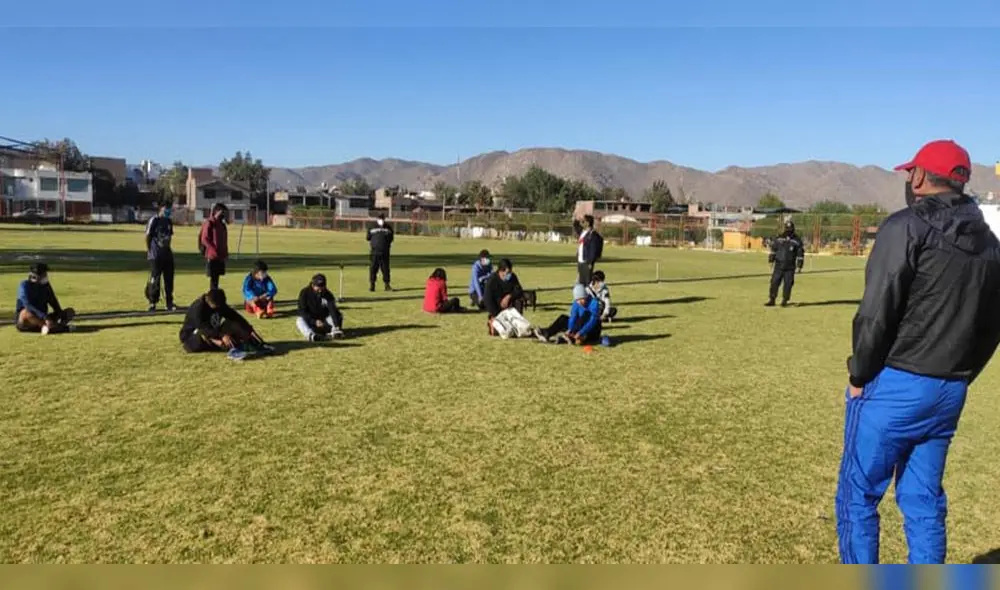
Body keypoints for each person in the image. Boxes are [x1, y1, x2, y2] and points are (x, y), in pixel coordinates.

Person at [835, 139, 1000, 564]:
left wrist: (859, 375)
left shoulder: (905, 227)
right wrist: (961, 374)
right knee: (924, 502)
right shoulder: (989, 244)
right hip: (950, 389)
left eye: (911, 173)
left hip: (896, 383)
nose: (908, 180)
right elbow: (992, 326)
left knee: (858, 496)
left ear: (922, 176)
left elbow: (876, 311)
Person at [179, 289, 272, 360]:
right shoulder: (198, 309)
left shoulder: (219, 303)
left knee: (232, 323)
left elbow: (234, 316)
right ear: (209, 302)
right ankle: (232, 350)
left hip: (213, 331)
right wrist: (222, 335)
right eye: (217, 307)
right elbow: (203, 328)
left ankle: (255, 343)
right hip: (192, 337)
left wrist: (249, 329)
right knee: (203, 333)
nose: (219, 309)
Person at [483, 258, 539, 339]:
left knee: (519, 300)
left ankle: (518, 324)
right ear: (501, 271)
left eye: (510, 272)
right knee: (505, 332)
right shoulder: (492, 281)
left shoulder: (512, 277)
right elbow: (487, 300)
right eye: (507, 272)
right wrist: (495, 314)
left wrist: (509, 296)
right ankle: (492, 322)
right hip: (497, 310)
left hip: (510, 308)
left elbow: (519, 290)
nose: (509, 274)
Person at [15, 263, 76, 334]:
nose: (46, 276)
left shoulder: (46, 285)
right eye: (44, 274)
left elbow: (53, 300)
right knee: (25, 313)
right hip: (28, 320)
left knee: (70, 312)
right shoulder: (24, 285)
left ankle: (49, 327)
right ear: (35, 276)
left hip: (44, 318)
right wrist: (45, 317)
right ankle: (58, 328)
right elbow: (28, 305)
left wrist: (60, 314)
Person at [536, 284, 603, 345]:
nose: (579, 302)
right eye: (577, 300)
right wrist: (570, 329)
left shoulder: (594, 303)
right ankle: (547, 333)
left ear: (585, 296)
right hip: (579, 326)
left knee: (585, 315)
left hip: (592, 329)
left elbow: (592, 321)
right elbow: (573, 317)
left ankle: (569, 339)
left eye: (581, 299)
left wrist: (581, 332)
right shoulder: (576, 303)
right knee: (563, 318)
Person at [145, 200, 176, 311]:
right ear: (161, 209)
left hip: (167, 254)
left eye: (169, 209)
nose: (168, 211)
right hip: (155, 255)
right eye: (166, 209)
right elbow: (148, 236)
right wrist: (150, 251)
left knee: (169, 280)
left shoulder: (168, 221)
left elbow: (169, 236)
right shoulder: (154, 220)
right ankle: (153, 303)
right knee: (155, 279)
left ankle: (169, 302)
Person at [766, 219, 805, 307]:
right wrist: (771, 260)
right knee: (774, 282)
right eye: (787, 229)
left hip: (790, 267)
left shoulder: (797, 240)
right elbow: (774, 249)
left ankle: (784, 300)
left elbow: (800, 254)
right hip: (779, 265)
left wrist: (799, 266)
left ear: (793, 229)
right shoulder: (779, 238)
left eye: (790, 229)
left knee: (788, 284)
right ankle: (772, 299)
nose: (788, 231)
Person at [296, 273, 345, 342]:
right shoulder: (304, 293)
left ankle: (335, 331)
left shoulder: (328, 294)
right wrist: (314, 322)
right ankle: (311, 335)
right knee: (299, 320)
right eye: (318, 286)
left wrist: (336, 325)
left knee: (338, 315)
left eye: (322, 286)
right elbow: (302, 312)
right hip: (311, 322)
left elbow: (333, 310)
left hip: (324, 322)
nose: (320, 289)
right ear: (313, 285)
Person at [200, 203, 229, 291]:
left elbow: (224, 241)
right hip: (212, 256)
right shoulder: (210, 223)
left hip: (221, 256)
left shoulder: (222, 225)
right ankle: (212, 299)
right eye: (222, 212)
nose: (223, 215)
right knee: (213, 279)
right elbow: (204, 239)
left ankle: (215, 298)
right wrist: (213, 249)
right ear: (217, 211)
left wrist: (225, 253)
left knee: (217, 279)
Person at [366, 213, 394, 292]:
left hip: (385, 252)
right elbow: (368, 238)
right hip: (374, 252)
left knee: (385, 269)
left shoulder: (389, 228)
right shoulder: (371, 227)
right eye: (380, 218)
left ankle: (387, 285)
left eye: (382, 218)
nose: (381, 220)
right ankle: (372, 285)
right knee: (373, 269)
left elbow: (391, 239)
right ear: (377, 219)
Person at [576, 214, 604, 285]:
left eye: (583, 221)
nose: (581, 222)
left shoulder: (592, 235)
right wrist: (577, 218)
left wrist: (590, 262)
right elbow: (576, 226)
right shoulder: (583, 232)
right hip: (580, 260)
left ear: (588, 223)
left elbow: (593, 250)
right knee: (581, 281)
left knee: (587, 282)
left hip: (587, 261)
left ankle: (589, 295)